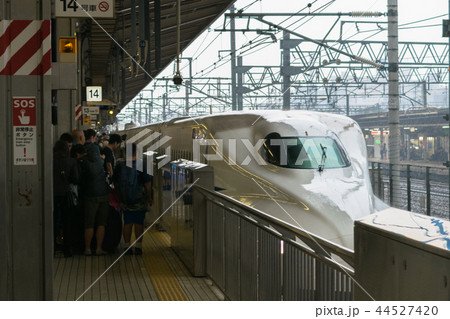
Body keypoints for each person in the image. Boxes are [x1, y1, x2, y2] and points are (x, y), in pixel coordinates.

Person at [114, 143, 152, 255]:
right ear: (137, 152)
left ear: (126, 152)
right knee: (139, 222)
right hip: (139, 199)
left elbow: (115, 182)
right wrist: (149, 197)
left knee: (127, 222)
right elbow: (147, 183)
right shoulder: (141, 165)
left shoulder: (121, 165)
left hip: (125, 200)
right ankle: (139, 246)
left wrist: (119, 196)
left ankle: (126, 245)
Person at [79, 142, 111, 256]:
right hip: (104, 194)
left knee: (89, 223)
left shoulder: (83, 162)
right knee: (101, 223)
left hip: (90, 196)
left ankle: (87, 249)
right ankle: (98, 248)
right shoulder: (101, 161)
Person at [53, 140, 78, 257]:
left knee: (53, 221)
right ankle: (67, 249)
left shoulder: (50, 161)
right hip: (66, 195)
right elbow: (75, 179)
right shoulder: (71, 161)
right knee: (67, 221)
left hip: (51, 195)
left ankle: (52, 247)